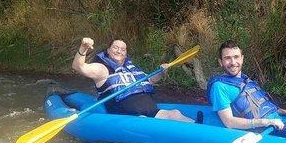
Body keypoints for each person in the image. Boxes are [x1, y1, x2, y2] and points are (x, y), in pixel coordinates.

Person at [72, 37, 201, 123]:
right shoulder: (102, 69)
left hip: (150, 110)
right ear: (108, 50)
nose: (119, 51)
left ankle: (197, 128)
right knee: (144, 120)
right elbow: (79, 67)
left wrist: (162, 72)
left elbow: (150, 80)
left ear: (126, 54)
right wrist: (83, 48)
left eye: (123, 49)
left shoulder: (131, 68)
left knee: (174, 114)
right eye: (116, 47)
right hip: (126, 115)